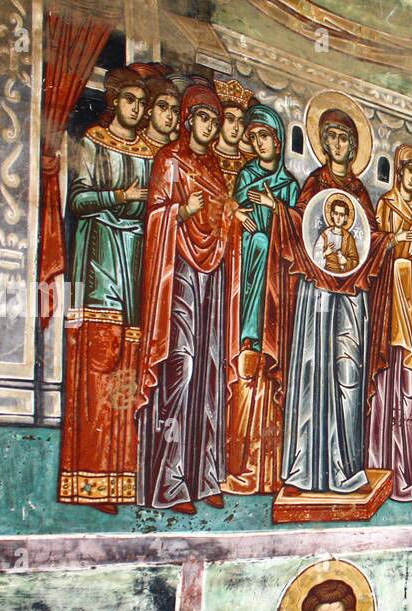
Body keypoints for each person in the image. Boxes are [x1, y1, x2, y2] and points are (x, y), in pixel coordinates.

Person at [249, 100, 390, 496]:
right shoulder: (313, 184)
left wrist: (386, 241)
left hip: (350, 300)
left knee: (348, 377)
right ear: (324, 145)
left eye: (345, 138)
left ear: (353, 144)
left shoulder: (361, 192)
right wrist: (277, 208)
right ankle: (303, 469)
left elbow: (368, 243)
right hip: (317, 296)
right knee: (311, 372)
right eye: (331, 138)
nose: (338, 145)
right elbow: (298, 228)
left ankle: (346, 467)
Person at [135, 84, 249, 514]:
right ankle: (169, 482)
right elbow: (156, 216)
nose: (211, 126)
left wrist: (229, 216)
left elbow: (219, 213)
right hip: (179, 274)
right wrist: (180, 212)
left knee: (209, 373)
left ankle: (204, 478)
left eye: (215, 120)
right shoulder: (170, 161)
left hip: (212, 278)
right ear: (188, 119)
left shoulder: (216, 170)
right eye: (204, 118)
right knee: (180, 370)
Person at [58, 67, 154, 515]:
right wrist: (119, 195)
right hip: (99, 262)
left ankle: (121, 477)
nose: (136, 109)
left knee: (126, 373)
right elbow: (77, 200)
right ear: (115, 102)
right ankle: (90, 477)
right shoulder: (93, 143)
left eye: (141, 102)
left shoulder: (151, 152)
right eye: (130, 100)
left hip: (134, 263)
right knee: (100, 363)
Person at [223, 103, 299, 496]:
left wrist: (278, 211)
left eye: (264, 136)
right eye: (252, 138)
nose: (257, 143)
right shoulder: (245, 178)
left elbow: (299, 242)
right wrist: (235, 215)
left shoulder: (288, 187)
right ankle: (241, 466)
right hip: (249, 285)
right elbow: (232, 221)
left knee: (272, 377)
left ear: (278, 140)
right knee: (247, 370)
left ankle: (270, 472)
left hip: (277, 297)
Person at [367, 144, 412, 502]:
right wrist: (395, 242)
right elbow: (374, 249)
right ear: (399, 170)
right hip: (393, 311)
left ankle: (408, 473)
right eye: (410, 171)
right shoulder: (387, 206)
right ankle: (384, 468)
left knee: (411, 395)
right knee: (389, 392)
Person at [211, 79, 251, 193]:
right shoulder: (204, 155)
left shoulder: (247, 166)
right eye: (230, 119)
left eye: (241, 122)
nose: (236, 127)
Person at [311, 197, 360, 274]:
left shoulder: (348, 238)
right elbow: (315, 257)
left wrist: (346, 261)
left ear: (346, 218)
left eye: (341, 215)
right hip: (324, 273)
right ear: (332, 214)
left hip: (341, 274)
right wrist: (325, 253)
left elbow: (355, 261)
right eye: (336, 213)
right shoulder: (325, 235)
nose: (338, 217)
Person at [137, 75, 179, 154]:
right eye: (163, 107)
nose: (170, 116)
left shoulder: (177, 152)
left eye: (175, 111)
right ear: (150, 111)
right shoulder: (133, 141)